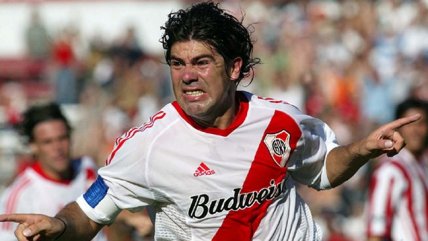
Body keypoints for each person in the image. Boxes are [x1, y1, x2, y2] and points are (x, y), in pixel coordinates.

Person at [0, 2, 422, 240]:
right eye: (177, 64)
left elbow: (322, 170)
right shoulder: (148, 146)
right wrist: (58, 225)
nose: (187, 75)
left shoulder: (280, 119)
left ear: (234, 67)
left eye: (202, 62)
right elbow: (91, 214)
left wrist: (360, 152)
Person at [0, 102, 106, 241]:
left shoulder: (87, 167)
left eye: (62, 138)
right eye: (47, 142)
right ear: (33, 146)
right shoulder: (19, 194)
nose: (57, 148)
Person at [366, 98, 428, 241]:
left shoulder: (421, 166)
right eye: (410, 124)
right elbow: (376, 232)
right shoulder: (390, 170)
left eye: (422, 124)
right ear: (398, 128)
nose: (416, 131)